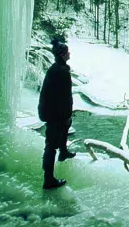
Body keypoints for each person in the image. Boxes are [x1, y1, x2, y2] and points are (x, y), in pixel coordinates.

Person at [38, 39, 76, 189]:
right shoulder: (61, 72)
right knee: (51, 146)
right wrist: (66, 115)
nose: (69, 53)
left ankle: (64, 151)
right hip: (54, 113)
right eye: (67, 52)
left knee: (65, 128)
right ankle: (48, 180)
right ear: (62, 55)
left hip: (51, 111)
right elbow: (64, 97)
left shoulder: (56, 69)